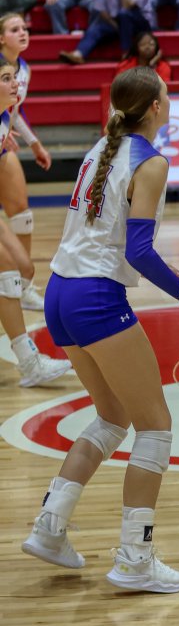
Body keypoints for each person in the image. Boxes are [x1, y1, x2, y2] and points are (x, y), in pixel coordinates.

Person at [20, 66, 179, 590]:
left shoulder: (100, 148)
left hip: (61, 292)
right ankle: (135, 558)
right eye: (166, 95)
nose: (169, 101)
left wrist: (165, 273)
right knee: (155, 426)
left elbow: (113, 239)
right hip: (95, 297)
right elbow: (138, 250)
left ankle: (50, 527)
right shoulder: (151, 162)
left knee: (111, 417)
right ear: (154, 107)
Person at [0, 59, 72, 386]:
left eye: (14, 77)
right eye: (6, 79)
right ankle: (30, 364)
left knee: (23, 269)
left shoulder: (5, 119)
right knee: (6, 273)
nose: (15, 83)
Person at [0, 13, 54, 309]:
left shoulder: (25, 69)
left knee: (23, 214)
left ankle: (25, 286)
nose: (23, 32)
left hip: (3, 142)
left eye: (24, 28)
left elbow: (14, 112)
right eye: (14, 29)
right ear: (1, 38)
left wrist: (35, 144)